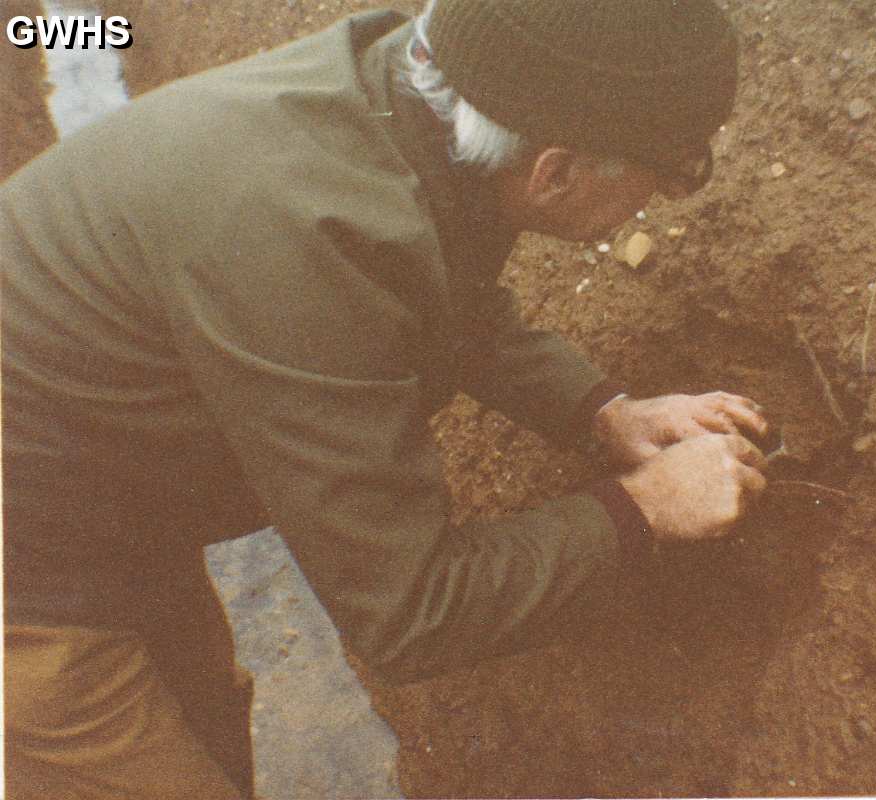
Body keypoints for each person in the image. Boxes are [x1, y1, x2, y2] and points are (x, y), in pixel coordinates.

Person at [2, 0, 769, 796]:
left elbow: (437, 299)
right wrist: (638, 511)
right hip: (27, 547)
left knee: (202, 712)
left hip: (93, 471)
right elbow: (409, 614)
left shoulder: (418, 100)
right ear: (555, 173)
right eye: (673, 170)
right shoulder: (294, 235)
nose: (666, 198)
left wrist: (603, 412)